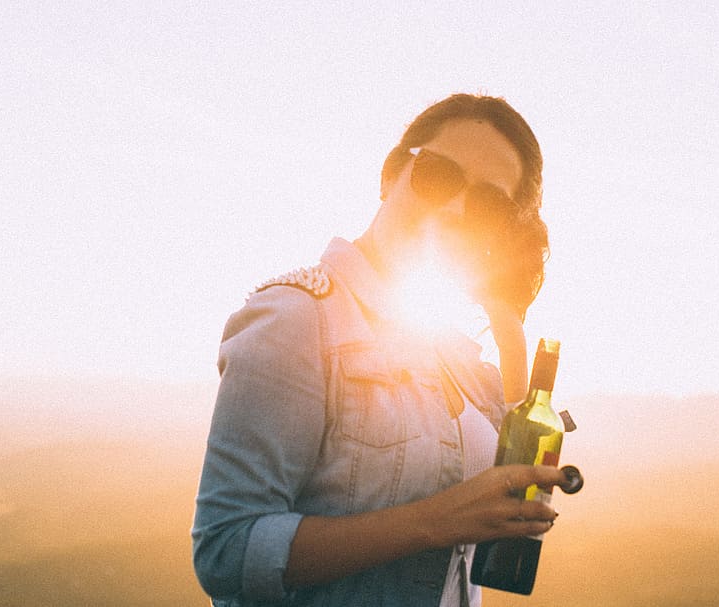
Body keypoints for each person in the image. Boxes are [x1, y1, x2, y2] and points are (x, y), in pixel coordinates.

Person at [192, 93, 564, 607]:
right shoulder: (299, 319)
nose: (456, 208)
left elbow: (499, 518)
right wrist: (438, 521)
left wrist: (511, 335)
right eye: (438, 175)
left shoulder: (453, 357)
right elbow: (227, 551)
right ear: (392, 176)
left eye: (488, 204)